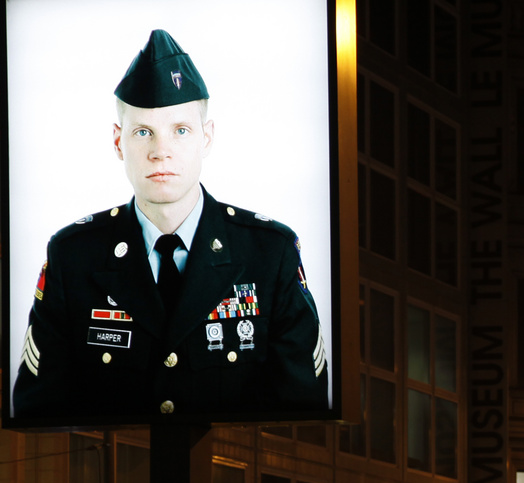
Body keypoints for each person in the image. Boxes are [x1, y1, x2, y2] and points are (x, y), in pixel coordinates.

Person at [12, 29, 327, 424]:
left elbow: (304, 415)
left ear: (206, 138)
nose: (161, 150)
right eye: (143, 132)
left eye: (180, 130)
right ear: (118, 142)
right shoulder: (73, 256)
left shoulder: (269, 255)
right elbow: (37, 413)